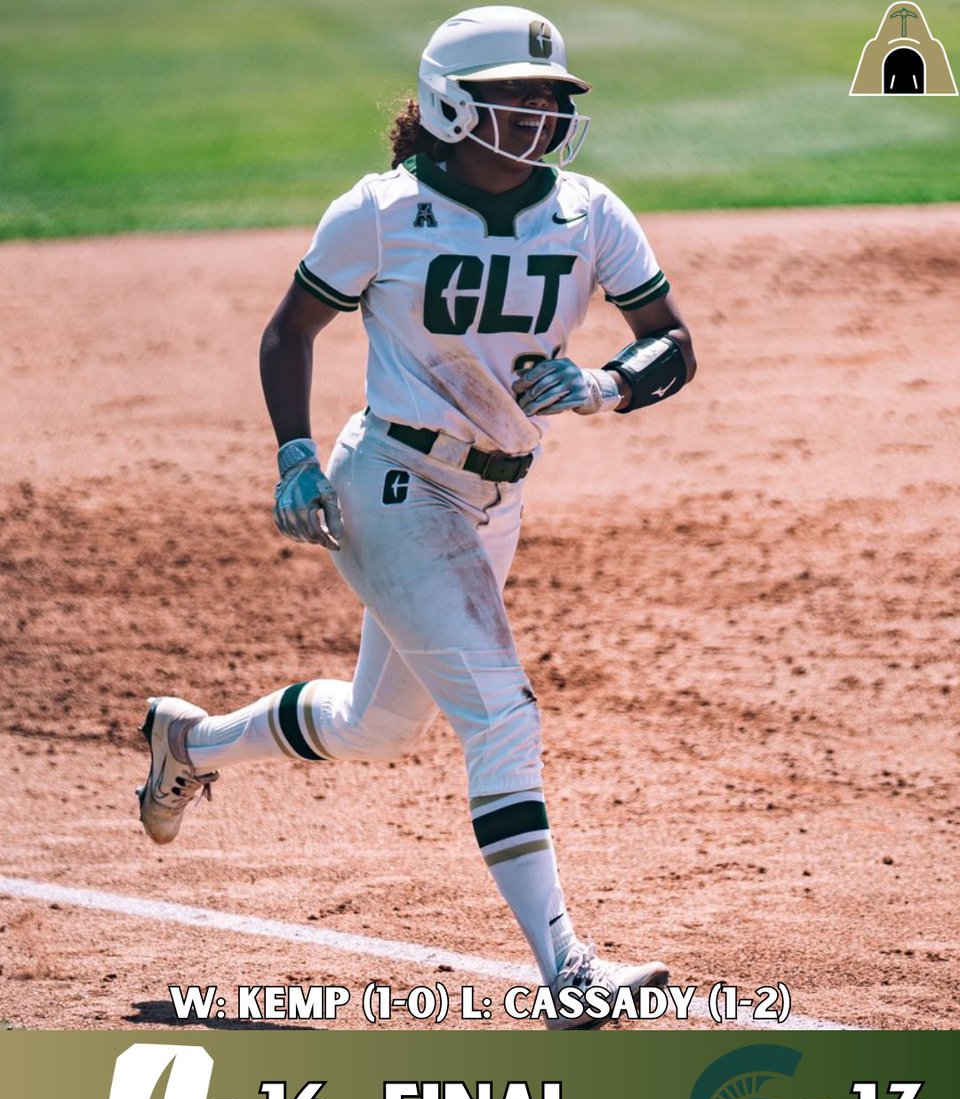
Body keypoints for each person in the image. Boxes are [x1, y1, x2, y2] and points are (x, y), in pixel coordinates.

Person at [137, 5, 696, 1030]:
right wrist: (295, 454)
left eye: (548, 99)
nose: (537, 116)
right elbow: (287, 332)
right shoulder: (382, 213)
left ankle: (192, 744)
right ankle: (567, 971)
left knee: (379, 724)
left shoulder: (588, 212)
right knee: (502, 712)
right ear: (450, 104)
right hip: (393, 485)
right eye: (513, 99)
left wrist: (608, 385)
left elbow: (671, 341)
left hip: (494, 495)